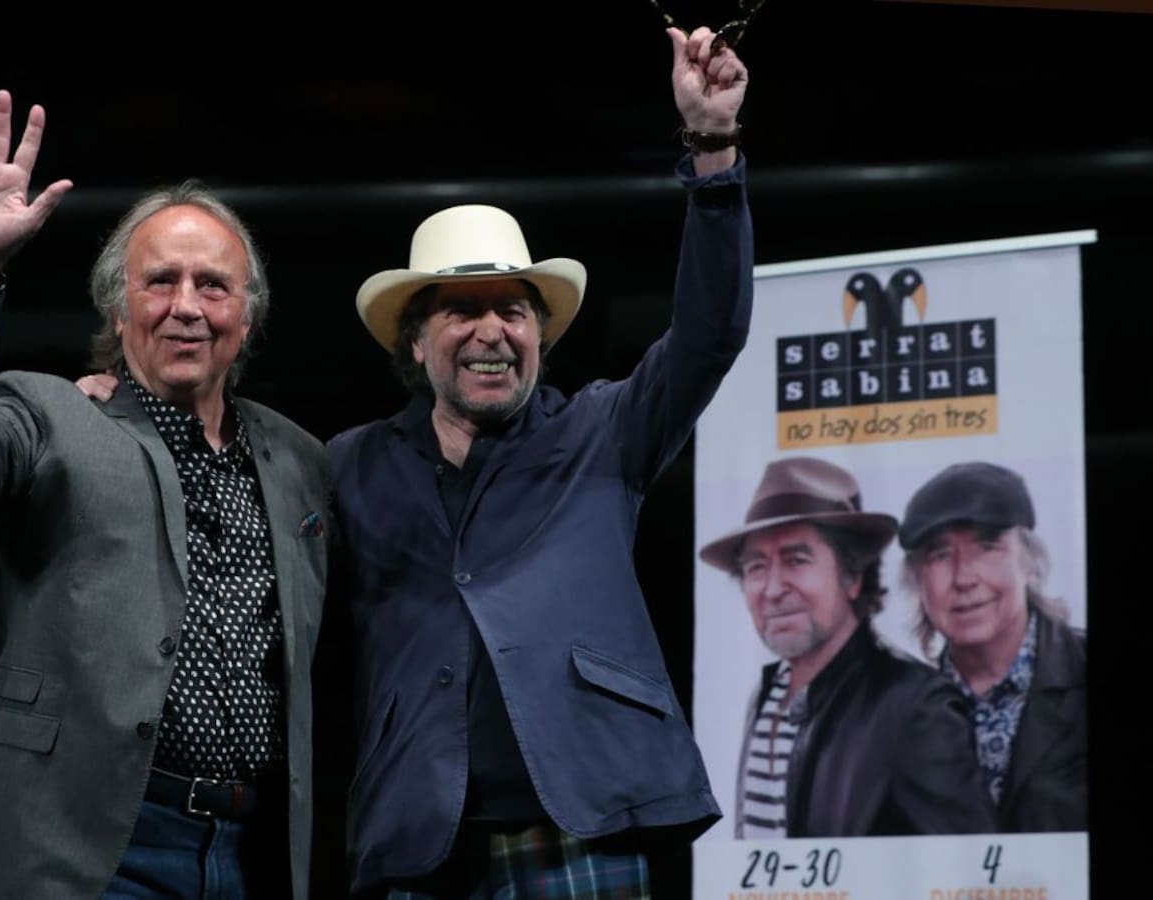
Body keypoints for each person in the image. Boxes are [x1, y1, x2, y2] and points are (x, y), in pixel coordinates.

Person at [326, 26, 750, 898]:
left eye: (513, 310)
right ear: (416, 341)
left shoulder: (602, 430)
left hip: (578, 827)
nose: (492, 330)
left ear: (540, 335)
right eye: (463, 309)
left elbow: (710, 336)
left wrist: (712, 154)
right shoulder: (348, 464)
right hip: (418, 838)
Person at [0, 90, 330, 899]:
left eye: (212, 286)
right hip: (82, 843)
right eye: (160, 282)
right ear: (119, 310)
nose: (186, 306)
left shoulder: (302, 459)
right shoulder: (49, 414)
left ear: (247, 318)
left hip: (248, 851)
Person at [698, 456, 995, 838]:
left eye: (796, 560)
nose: (772, 589)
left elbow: (963, 861)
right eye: (756, 567)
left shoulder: (918, 708)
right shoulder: (768, 691)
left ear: (853, 577)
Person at [898, 461, 1087, 833]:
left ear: (1029, 563)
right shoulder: (897, 713)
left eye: (987, 547)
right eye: (939, 555)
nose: (963, 578)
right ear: (918, 581)